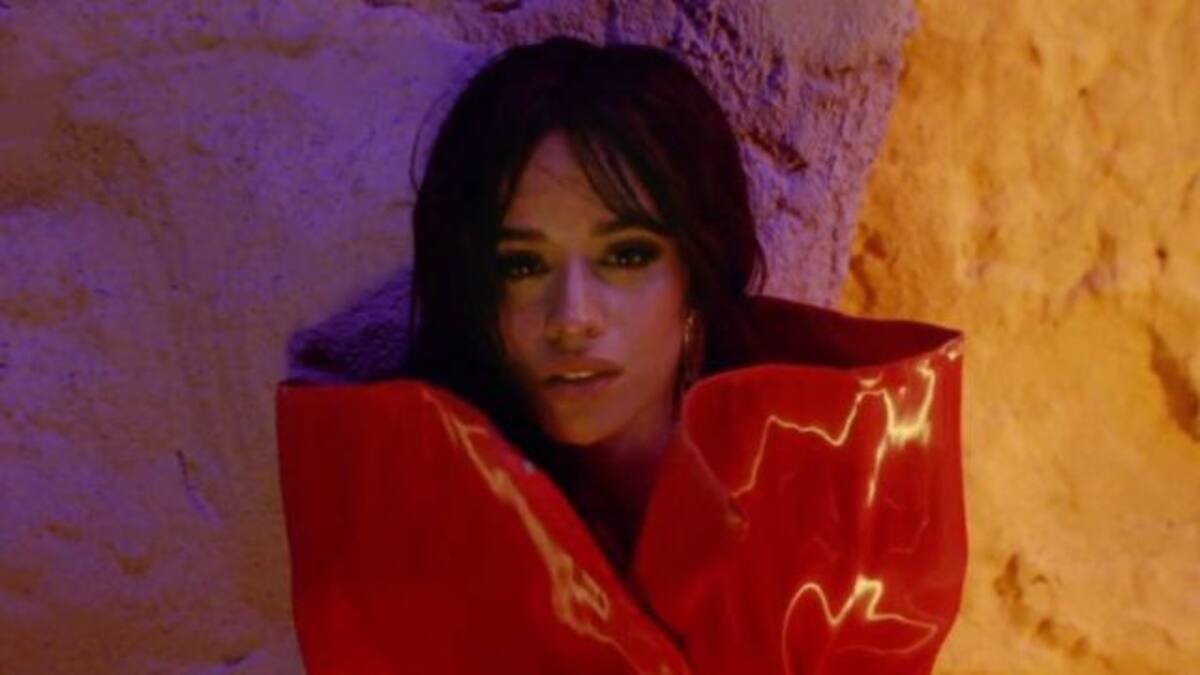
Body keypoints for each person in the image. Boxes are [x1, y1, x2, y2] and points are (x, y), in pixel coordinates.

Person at [277, 36, 967, 675]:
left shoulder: (839, 510)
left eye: (627, 255)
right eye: (522, 265)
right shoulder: (409, 544)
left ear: (696, 271)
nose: (572, 317)